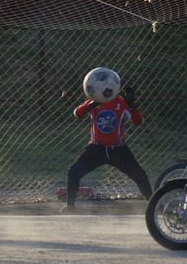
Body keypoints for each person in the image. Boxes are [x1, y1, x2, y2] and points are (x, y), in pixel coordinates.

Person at [65, 70, 152, 212]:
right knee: (74, 172)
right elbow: (77, 114)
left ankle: (155, 206)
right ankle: (70, 208)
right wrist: (91, 105)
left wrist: (132, 106)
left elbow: (138, 122)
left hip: (117, 149)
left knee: (140, 175)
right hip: (96, 148)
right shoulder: (94, 102)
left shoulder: (121, 103)